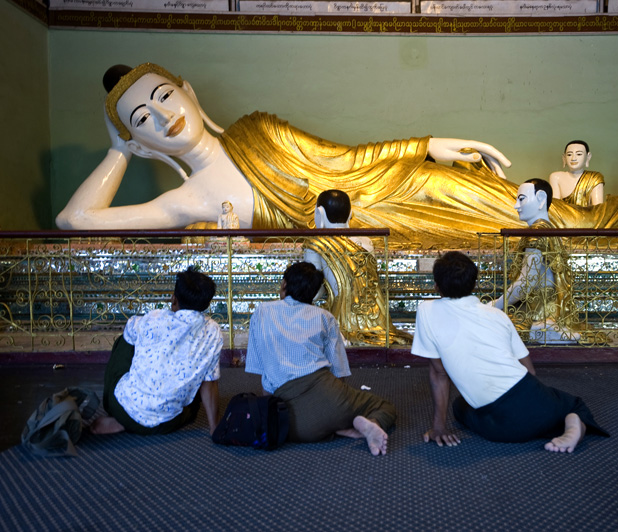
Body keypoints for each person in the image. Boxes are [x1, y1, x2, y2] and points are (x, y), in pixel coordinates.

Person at [55, 62, 520, 248]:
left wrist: (426, 146)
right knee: (479, 238)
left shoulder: (259, 129)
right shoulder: (187, 200)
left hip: (385, 186)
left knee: (496, 201)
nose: (162, 117)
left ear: (188, 92)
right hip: (354, 238)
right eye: (141, 121)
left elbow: (344, 160)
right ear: (142, 144)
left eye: (164, 96)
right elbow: (75, 220)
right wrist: (119, 151)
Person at [412, 251, 608, 452]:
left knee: (460, 407)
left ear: (436, 286)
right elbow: (529, 370)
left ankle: (552, 424)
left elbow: (439, 373)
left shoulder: (426, 311)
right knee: (573, 405)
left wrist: (438, 427)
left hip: (503, 428)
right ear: (474, 284)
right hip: (535, 398)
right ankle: (573, 423)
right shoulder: (498, 315)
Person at [245, 261, 397, 456]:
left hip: (290, 423)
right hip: (328, 394)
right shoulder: (325, 317)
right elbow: (339, 371)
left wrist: (269, 412)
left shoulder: (261, 312)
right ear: (316, 292)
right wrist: (342, 404)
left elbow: (261, 370)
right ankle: (365, 424)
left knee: (297, 425)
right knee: (384, 406)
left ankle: (334, 427)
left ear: (283, 285)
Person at [91, 267, 223, 436]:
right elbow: (209, 382)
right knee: (197, 388)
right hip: (167, 422)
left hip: (121, 408)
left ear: (173, 299)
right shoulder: (212, 330)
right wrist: (215, 427)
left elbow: (131, 330)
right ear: (206, 304)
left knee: (126, 338)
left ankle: (122, 418)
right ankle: (135, 420)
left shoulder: (153, 318)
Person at [303, 190, 412, 346]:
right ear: (350, 214)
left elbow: (313, 292)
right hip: (376, 320)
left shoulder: (316, 244)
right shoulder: (366, 241)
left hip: (341, 321)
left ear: (319, 213)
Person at [493, 179, 582, 343]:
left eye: (521, 199)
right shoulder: (548, 228)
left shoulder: (536, 233)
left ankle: (546, 329)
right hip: (546, 306)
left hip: (540, 311)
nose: (516, 206)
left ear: (541, 199)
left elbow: (527, 282)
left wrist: (495, 306)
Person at [549, 140, 605, 207]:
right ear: (564, 157)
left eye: (579, 154)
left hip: (588, 216)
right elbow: (556, 208)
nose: (573, 158)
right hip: (562, 217)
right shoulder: (556, 177)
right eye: (569, 154)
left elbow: (598, 210)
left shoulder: (595, 178)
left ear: (588, 157)